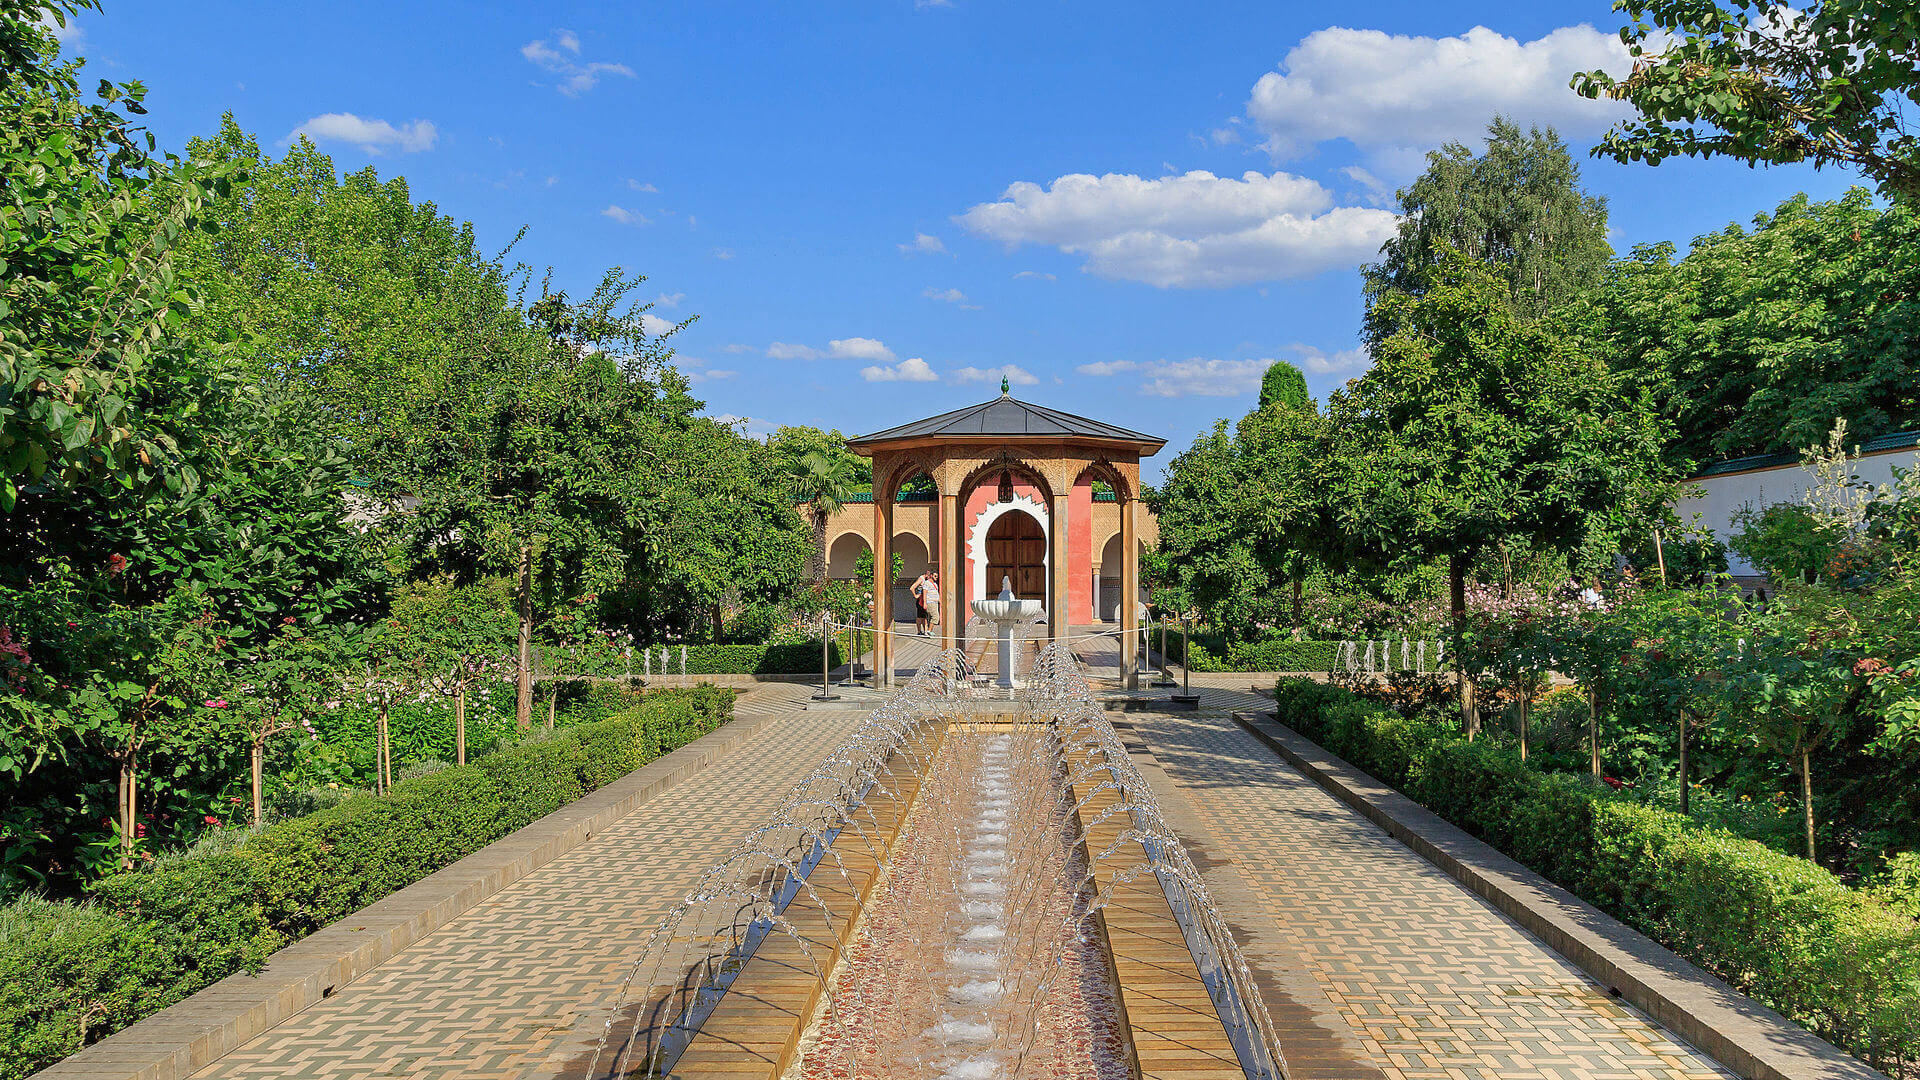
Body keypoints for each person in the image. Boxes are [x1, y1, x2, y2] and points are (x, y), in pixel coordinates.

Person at [920, 571, 942, 637]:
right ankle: (929, 631)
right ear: (931, 575)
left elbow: (937, 594)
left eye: (937, 576)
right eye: (935, 576)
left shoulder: (935, 584)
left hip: (935, 602)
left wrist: (940, 602)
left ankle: (928, 631)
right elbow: (925, 593)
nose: (936, 578)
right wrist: (925, 603)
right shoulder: (927, 583)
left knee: (931, 618)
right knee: (935, 617)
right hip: (930, 602)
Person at [910, 571, 932, 636]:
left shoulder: (924, 579)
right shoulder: (921, 579)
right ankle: (920, 631)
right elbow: (912, 588)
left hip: (923, 599)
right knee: (921, 617)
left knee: (924, 617)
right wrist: (916, 595)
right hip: (920, 601)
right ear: (927, 575)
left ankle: (924, 631)